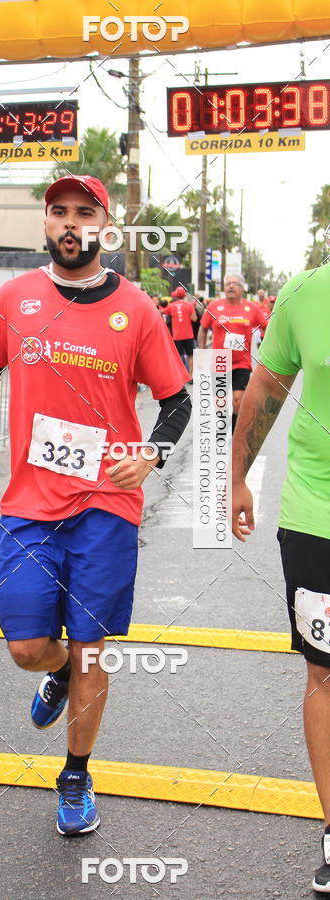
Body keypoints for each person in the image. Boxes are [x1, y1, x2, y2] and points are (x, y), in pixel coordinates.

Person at [0, 174, 191, 835]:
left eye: (84, 212)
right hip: (30, 503)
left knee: (91, 650)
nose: (70, 223)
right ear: (46, 224)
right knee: (28, 645)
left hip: (107, 504)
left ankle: (76, 775)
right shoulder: (15, 298)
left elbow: (178, 400)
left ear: (104, 226)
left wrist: (153, 453)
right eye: (59, 212)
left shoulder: (137, 309)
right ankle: (53, 675)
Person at [231, 262, 330, 895]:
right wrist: (236, 474)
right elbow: (265, 388)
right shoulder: (306, 293)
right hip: (317, 516)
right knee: (325, 671)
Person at [197, 272, 267, 431]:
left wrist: (267, 350)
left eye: (235, 283)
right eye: (228, 283)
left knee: (237, 400)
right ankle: (223, 426)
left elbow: (266, 328)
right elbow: (203, 329)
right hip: (220, 360)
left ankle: (234, 432)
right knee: (220, 402)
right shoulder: (214, 307)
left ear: (242, 288)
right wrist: (201, 353)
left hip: (241, 362)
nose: (230, 286)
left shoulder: (251, 308)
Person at [163, 286, 197, 377]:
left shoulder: (171, 306)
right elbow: (194, 319)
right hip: (189, 335)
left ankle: (181, 376)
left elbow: (161, 312)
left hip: (177, 336)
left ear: (176, 295)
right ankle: (191, 375)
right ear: (184, 295)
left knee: (178, 357)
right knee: (190, 355)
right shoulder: (190, 305)